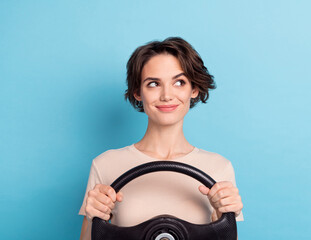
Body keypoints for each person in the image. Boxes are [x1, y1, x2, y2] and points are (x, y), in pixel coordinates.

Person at [78, 37, 244, 240]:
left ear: (194, 89)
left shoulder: (219, 168)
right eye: (154, 84)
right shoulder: (105, 165)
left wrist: (220, 218)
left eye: (179, 82)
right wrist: (91, 215)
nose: (167, 95)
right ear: (138, 92)